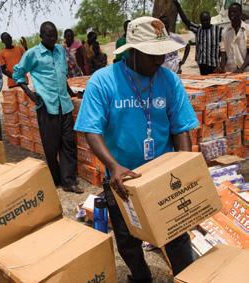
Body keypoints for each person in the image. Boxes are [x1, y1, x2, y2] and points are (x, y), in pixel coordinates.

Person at [74, 17, 198, 283]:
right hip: (123, 181)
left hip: (164, 179)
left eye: (162, 53)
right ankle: (141, 277)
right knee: (128, 239)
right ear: (132, 50)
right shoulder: (103, 82)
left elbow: (181, 128)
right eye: (152, 54)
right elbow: (90, 130)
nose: (159, 60)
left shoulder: (169, 81)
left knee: (176, 237)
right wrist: (114, 166)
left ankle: (189, 278)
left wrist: (184, 168)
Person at [13, 21, 83, 194]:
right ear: (41, 36)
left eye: (54, 35)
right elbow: (17, 73)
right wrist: (30, 93)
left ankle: (69, 181)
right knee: (51, 147)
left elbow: (62, 74)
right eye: (49, 36)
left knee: (68, 143)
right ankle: (55, 178)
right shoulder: (32, 54)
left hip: (64, 106)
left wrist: (71, 93)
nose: (52, 39)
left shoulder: (60, 50)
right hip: (47, 106)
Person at [174, 0, 222, 75]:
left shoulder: (218, 30)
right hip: (202, 64)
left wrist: (221, 65)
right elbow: (185, 21)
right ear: (200, 20)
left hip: (214, 65)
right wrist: (178, 6)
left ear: (210, 19)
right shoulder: (198, 29)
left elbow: (223, 48)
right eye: (203, 21)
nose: (205, 22)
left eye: (206, 20)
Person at [219, 3, 249, 73]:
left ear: (240, 13)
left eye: (235, 12)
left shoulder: (247, 29)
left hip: (246, 71)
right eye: (230, 12)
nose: (232, 14)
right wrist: (221, 67)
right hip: (230, 72)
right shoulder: (225, 32)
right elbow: (223, 53)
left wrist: (241, 69)